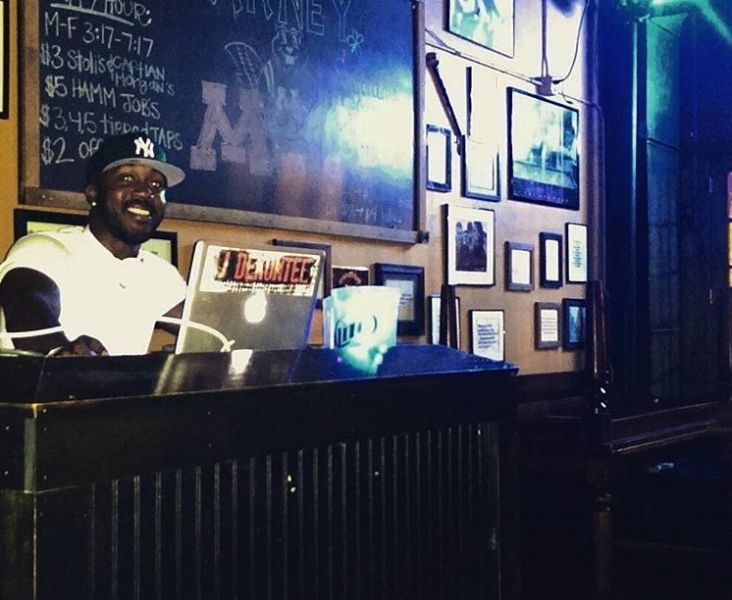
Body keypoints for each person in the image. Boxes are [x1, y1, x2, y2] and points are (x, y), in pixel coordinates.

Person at [0, 132, 187, 356]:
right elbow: (26, 303)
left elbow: (208, 325)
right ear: (93, 194)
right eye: (127, 179)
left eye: (156, 184)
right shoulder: (44, 248)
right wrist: (59, 351)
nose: (145, 191)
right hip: (44, 380)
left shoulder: (158, 274)